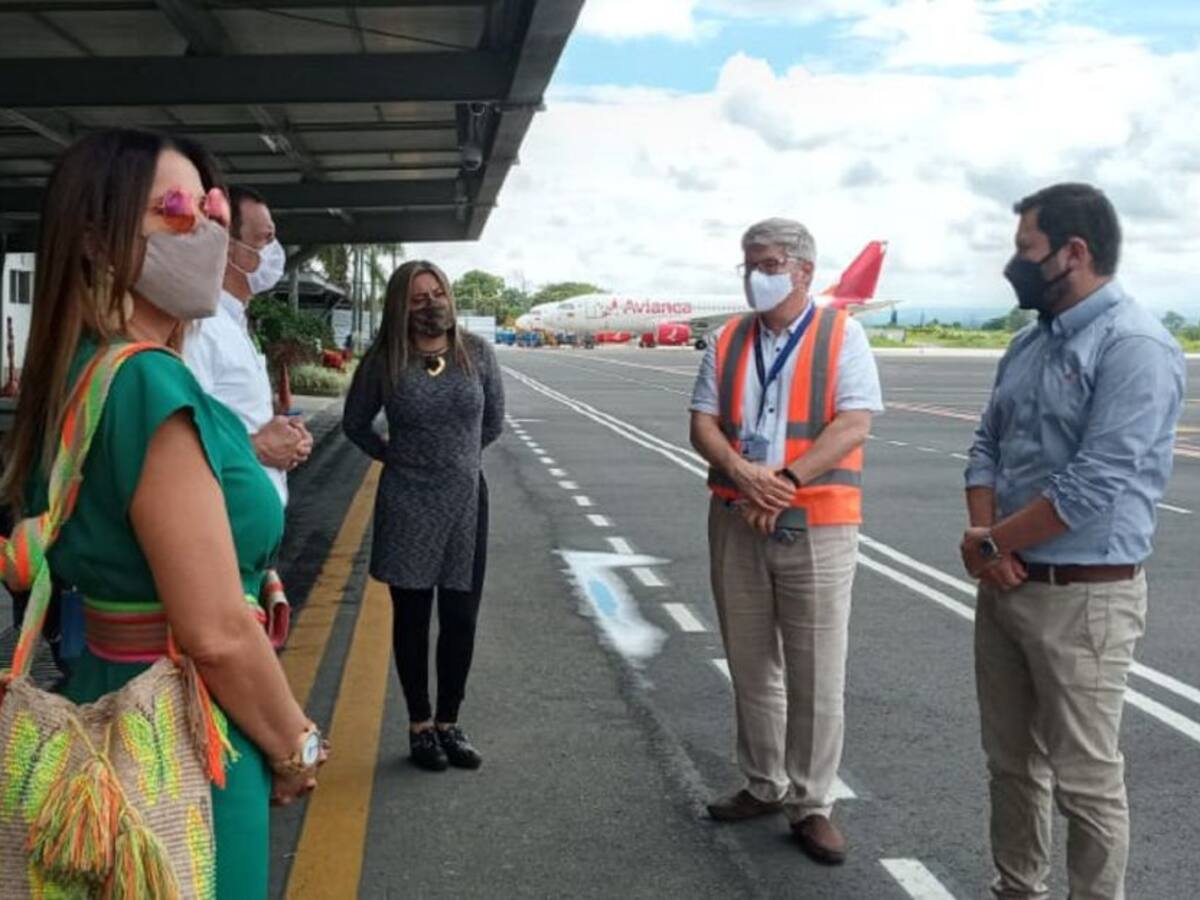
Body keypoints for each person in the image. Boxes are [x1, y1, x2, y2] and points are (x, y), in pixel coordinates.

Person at [0, 129, 326, 897]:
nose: (209, 233)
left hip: (106, 700)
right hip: (185, 734)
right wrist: (295, 746)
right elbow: (214, 633)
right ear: (97, 242)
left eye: (212, 211)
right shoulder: (150, 385)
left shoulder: (82, 373)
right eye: (178, 213)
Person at [962, 183, 1184, 900]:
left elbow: (1096, 483)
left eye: (1027, 249)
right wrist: (984, 538)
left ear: (1073, 253)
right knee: (1010, 763)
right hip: (1008, 584)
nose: (1015, 263)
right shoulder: (1028, 345)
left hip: (1084, 597)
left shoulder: (1136, 346)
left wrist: (992, 544)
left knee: (1086, 781)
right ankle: (1015, 886)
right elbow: (986, 443)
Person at [689, 218, 882, 865]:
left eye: (768, 263)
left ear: (803, 271)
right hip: (736, 514)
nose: (755, 275)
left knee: (816, 669)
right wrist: (745, 474)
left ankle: (812, 803)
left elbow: (855, 422)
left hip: (818, 520)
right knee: (749, 663)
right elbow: (703, 423)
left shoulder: (842, 336)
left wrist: (788, 480)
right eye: (748, 263)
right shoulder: (727, 339)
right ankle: (763, 783)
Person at [343, 260, 504, 772]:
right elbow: (354, 423)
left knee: (460, 616)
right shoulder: (386, 359)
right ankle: (419, 725)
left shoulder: (476, 353)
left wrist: (454, 459)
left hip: (464, 500)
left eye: (437, 293)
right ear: (400, 306)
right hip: (407, 500)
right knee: (411, 618)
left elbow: (493, 421)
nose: (431, 304)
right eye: (417, 298)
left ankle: (449, 723)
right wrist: (400, 458)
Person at [184, 184, 311, 507]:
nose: (274, 251)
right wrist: (257, 445)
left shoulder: (237, 323)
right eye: (264, 239)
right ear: (227, 246)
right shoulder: (200, 329)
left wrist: (286, 436)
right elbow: (179, 441)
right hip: (221, 530)